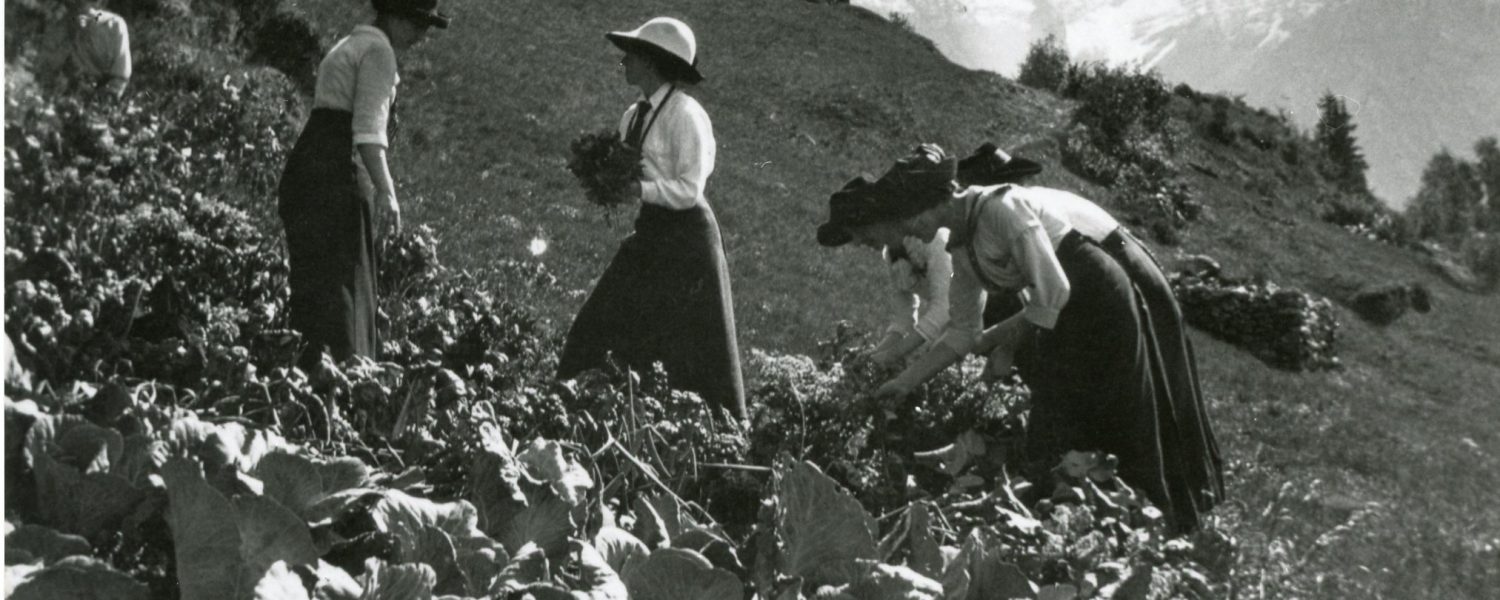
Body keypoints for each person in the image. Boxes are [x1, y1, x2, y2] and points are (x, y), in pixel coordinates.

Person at [817, 144, 1215, 532]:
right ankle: (1091, 528)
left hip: (1098, 299)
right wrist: (903, 382)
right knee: (1052, 431)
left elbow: (1055, 290)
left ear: (940, 200)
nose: (915, 230)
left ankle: (1163, 526)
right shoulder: (959, 247)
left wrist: (1003, 341)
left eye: (916, 217)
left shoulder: (1001, 209)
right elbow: (963, 332)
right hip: (1055, 314)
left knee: (1123, 416)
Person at [958, 142, 1226, 527]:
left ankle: (1171, 513)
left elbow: (1035, 298)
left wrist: (1000, 345)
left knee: (1145, 395)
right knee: (1156, 388)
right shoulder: (1028, 203)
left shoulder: (1008, 215)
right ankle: (1182, 508)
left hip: (1117, 276)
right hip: (1123, 268)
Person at [557, 17, 747, 421]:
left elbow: (689, 189)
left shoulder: (685, 115)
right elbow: (635, 175)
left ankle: (711, 433)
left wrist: (637, 190)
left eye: (633, 55)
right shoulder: (633, 115)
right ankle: (578, 403)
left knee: (691, 345)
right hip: (653, 231)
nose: (624, 62)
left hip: (689, 239)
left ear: (653, 62)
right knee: (598, 325)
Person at [277, 0, 447, 370]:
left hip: (306, 165)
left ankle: (303, 373)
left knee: (312, 283)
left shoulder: (348, 44)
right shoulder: (379, 51)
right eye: (418, 24)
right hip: (337, 172)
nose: (421, 36)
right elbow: (368, 130)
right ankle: (343, 383)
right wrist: (388, 191)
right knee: (346, 287)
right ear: (397, 18)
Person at [817, 144, 1045, 367]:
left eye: (859, 233)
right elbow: (903, 319)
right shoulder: (892, 255)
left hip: (1001, 308)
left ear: (877, 220)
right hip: (969, 322)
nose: (857, 243)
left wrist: (891, 356)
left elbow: (943, 306)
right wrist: (872, 358)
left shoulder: (932, 238)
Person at [40, 0, 132, 98]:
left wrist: (106, 97)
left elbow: (121, 74)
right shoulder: (65, 23)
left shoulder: (114, 24)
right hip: (62, 89)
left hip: (94, 95)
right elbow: (48, 62)